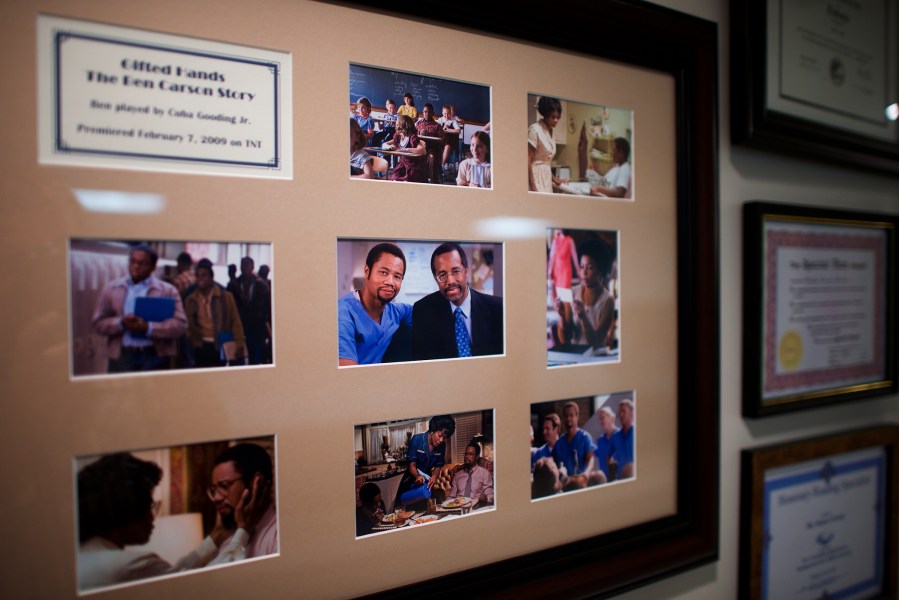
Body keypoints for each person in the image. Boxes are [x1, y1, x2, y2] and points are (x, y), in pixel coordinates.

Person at [76, 453, 254, 591]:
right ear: (127, 508)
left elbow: (176, 575)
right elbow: (199, 585)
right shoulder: (134, 565)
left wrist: (216, 536)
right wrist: (243, 529)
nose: (152, 516)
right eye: (150, 505)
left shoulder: (83, 557)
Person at [92, 245, 188, 373]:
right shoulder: (112, 289)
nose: (136, 266)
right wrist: (121, 323)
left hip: (155, 356)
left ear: (153, 267)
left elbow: (181, 324)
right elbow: (98, 323)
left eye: (142, 263)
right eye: (133, 261)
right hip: (122, 355)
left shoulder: (168, 291)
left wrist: (148, 327)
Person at [411, 243, 503, 360]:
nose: (450, 281)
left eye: (455, 271)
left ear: (466, 271)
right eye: (442, 275)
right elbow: (422, 363)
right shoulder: (423, 311)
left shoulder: (497, 308)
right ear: (436, 279)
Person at [338, 243, 412, 365]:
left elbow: (426, 311)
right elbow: (347, 377)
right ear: (367, 271)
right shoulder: (343, 313)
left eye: (397, 276)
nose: (390, 282)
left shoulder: (396, 312)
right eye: (383, 272)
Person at [207, 443, 278, 559]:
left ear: (257, 482)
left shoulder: (279, 535)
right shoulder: (229, 541)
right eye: (215, 489)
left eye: (224, 486)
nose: (216, 498)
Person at [553, 238, 615, 352]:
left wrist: (583, 317)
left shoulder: (608, 301)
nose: (584, 273)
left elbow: (595, 343)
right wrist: (561, 316)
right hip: (575, 356)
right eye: (582, 267)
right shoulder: (571, 293)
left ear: (600, 270)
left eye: (590, 268)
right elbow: (564, 340)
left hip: (596, 358)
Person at [183, 259, 247, 368]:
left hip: (220, 344)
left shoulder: (225, 297)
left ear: (211, 277)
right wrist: (191, 338)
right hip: (201, 345)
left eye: (204, 275)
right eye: (198, 276)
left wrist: (240, 344)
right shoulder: (191, 299)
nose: (200, 279)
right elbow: (186, 323)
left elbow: (235, 321)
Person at [395, 415, 456, 507]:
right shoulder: (416, 440)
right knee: (403, 508)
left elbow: (438, 466)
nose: (441, 440)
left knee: (424, 509)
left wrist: (434, 476)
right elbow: (412, 466)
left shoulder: (442, 446)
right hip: (411, 478)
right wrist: (418, 476)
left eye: (444, 438)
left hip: (426, 481)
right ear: (433, 429)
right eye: (440, 435)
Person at [226, 256, 271, 365]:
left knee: (254, 357)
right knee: (237, 357)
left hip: (256, 326)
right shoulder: (233, 285)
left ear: (252, 267)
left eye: (247, 265)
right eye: (243, 265)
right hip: (238, 325)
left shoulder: (262, 286)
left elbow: (266, 307)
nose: (245, 268)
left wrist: (265, 325)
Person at [528, 96, 567, 192]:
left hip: (546, 180)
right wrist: (533, 187)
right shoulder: (535, 129)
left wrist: (555, 180)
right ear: (546, 114)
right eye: (553, 117)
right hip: (536, 178)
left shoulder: (550, 132)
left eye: (558, 117)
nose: (556, 120)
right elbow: (527, 162)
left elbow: (545, 163)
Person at [553, 402, 595, 477]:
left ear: (577, 416)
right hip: (564, 484)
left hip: (580, 482)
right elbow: (554, 465)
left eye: (571, 415)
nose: (568, 418)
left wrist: (586, 474)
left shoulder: (585, 437)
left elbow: (591, 460)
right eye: (566, 416)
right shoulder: (559, 443)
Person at [384, 115, 427, 183]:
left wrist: (405, 149)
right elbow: (385, 144)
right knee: (395, 179)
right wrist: (390, 147)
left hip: (413, 165)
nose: (397, 127)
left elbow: (422, 150)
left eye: (399, 125)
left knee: (406, 181)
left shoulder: (412, 137)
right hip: (402, 164)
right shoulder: (399, 136)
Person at [546, 229, 579, 301]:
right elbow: (552, 257)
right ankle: (560, 310)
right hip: (557, 270)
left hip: (566, 269)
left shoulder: (570, 240)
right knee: (558, 292)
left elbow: (574, 257)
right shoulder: (555, 240)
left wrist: (578, 271)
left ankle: (566, 308)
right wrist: (549, 271)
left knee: (565, 289)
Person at [415, 103, 444, 183]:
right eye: (425, 112)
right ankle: (419, 181)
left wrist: (428, 135)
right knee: (413, 158)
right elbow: (413, 136)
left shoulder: (437, 126)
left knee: (432, 158)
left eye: (429, 112)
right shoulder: (418, 124)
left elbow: (442, 141)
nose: (427, 114)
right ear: (423, 113)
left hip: (432, 149)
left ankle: (433, 182)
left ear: (433, 113)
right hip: (420, 148)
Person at [610, 399, 635, 478]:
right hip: (621, 480)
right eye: (620, 412)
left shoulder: (637, 433)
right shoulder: (615, 436)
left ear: (632, 414)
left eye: (624, 411)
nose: (621, 415)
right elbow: (608, 456)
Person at [594, 406, 619, 479]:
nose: (601, 421)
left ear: (611, 418)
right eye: (600, 419)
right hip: (604, 481)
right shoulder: (600, 440)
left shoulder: (620, 436)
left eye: (603, 418)